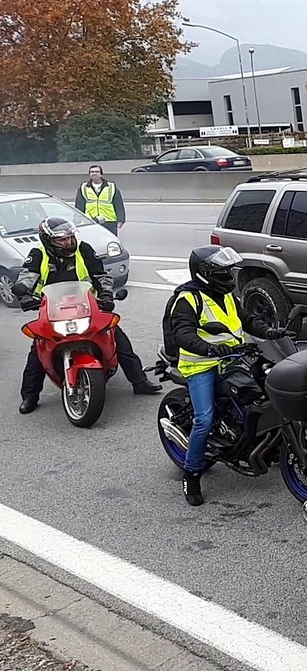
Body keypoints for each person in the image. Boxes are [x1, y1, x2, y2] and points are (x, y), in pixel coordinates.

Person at [165, 245, 283, 507]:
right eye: (223, 271)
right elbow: (182, 333)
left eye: (229, 270)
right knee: (204, 419)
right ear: (206, 273)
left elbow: (248, 320)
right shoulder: (188, 300)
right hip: (201, 365)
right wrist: (208, 348)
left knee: (267, 389)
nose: (229, 275)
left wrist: (270, 332)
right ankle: (192, 472)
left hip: (233, 358)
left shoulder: (228, 295)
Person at [15, 217, 160, 414]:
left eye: (69, 237)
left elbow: (100, 275)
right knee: (38, 350)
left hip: (86, 306)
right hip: (52, 309)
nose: (68, 242)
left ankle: (140, 382)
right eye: (62, 240)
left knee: (118, 339)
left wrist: (107, 294)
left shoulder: (84, 249)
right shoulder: (38, 254)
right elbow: (28, 275)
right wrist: (23, 293)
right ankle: (30, 396)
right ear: (48, 241)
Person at [74, 165, 126, 236]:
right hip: (91, 221)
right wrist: (77, 220)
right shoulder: (83, 188)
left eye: (97, 172)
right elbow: (79, 205)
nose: (94, 173)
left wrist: (121, 220)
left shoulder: (111, 187)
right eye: (92, 172)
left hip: (109, 221)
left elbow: (118, 204)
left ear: (101, 174)